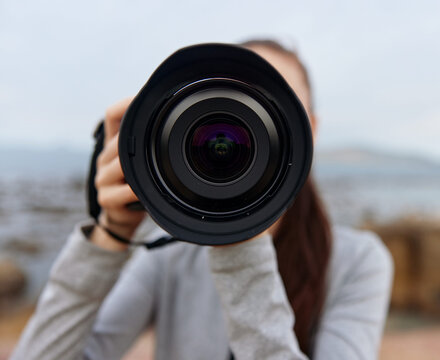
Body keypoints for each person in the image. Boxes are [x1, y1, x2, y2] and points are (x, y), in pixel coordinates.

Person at [10, 39, 393, 360]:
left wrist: (242, 244)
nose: (240, 133)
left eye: (271, 105)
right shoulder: (169, 257)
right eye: (233, 101)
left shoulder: (357, 262)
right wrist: (111, 236)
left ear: (308, 129)